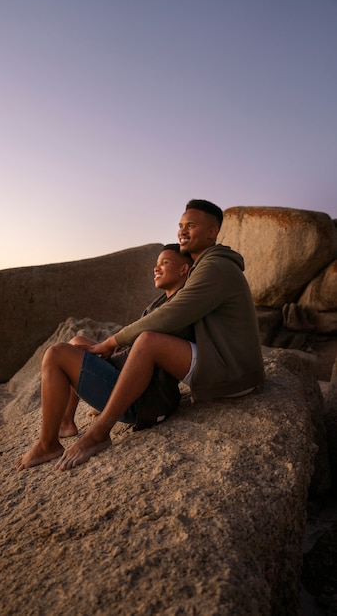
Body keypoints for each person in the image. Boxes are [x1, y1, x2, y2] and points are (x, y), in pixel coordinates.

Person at [52, 199, 265, 471]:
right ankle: (82, 417)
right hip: (223, 359)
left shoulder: (215, 267)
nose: (182, 231)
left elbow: (172, 315)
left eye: (191, 225)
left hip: (233, 370)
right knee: (135, 341)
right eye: (180, 225)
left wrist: (111, 342)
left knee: (149, 341)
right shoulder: (206, 266)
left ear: (212, 232)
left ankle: (98, 435)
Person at [16, 244, 194, 470]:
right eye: (156, 264)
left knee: (56, 354)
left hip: (142, 401)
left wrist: (101, 359)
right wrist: (104, 351)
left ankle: (47, 444)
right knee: (77, 342)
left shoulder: (179, 305)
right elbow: (135, 348)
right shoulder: (161, 303)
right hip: (141, 384)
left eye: (165, 263)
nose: (156, 268)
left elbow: (145, 352)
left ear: (183, 269)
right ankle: (65, 422)